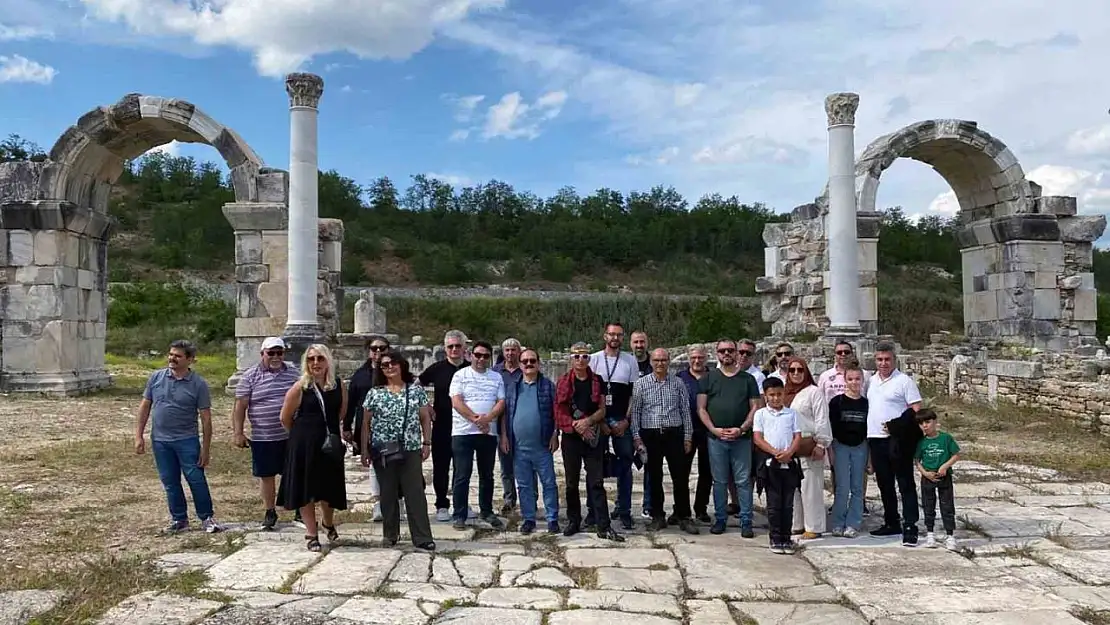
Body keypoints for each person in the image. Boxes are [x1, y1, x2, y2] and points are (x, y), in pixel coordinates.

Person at [135, 340, 221, 534]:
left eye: (178, 356)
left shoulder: (198, 384)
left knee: (196, 479)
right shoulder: (156, 377)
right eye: (171, 354)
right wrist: (138, 435)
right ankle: (179, 519)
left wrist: (205, 449)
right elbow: (145, 407)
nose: (172, 358)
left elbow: (206, 419)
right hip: (160, 440)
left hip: (186, 440)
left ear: (189, 360)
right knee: (170, 481)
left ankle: (207, 518)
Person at [360, 349, 436, 551]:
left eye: (393, 363)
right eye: (384, 365)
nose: (389, 367)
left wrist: (426, 442)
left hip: (410, 447)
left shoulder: (415, 391)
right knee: (387, 493)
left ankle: (421, 536)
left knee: (415, 493)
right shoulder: (375, 393)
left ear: (401, 365)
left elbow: (425, 418)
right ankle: (390, 534)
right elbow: (366, 423)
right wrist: (365, 450)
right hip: (382, 450)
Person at [279, 344, 349, 552]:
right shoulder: (300, 387)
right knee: (306, 489)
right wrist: (302, 434)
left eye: (320, 358)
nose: (315, 363)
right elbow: (285, 417)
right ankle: (311, 532)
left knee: (329, 488)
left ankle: (328, 521)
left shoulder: (338, 385)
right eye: (311, 359)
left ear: (328, 361)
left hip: (328, 443)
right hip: (304, 444)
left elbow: (341, 412)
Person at [555, 342, 624, 541]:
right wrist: (577, 426)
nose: (580, 360)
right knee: (571, 483)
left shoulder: (597, 380)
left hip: (593, 436)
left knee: (596, 482)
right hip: (571, 436)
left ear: (589, 359)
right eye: (577, 356)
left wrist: (588, 422)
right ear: (571, 359)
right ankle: (574, 520)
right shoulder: (564, 382)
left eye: (584, 356)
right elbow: (559, 410)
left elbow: (602, 409)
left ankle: (603, 525)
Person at [232, 336, 302, 530]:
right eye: (271, 353)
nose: (276, 356)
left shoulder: (293, 372)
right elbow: (240, 406)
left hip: (290, 434)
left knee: (294, 473)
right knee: (267, 475)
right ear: (262, 354)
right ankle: (270, 511)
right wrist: (238, 432)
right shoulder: (250, 376)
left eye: (279, 352)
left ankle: (298, 509)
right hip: (263, 435)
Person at [698, 338, 762, 536]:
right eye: (723, 350)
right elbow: (701, 408)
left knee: (743, 481)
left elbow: (755, 407)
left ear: (736, 353)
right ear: (717, 354)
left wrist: (742, 429)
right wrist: (714, 429)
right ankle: (720, 519)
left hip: (741, 439)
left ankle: (746, 521)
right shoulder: (708, 379)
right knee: (720, 481)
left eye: (730, 350)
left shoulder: (748, 380)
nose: (727, 354)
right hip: (716, 438)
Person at [631, 348, 698, 534]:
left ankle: (684, 515)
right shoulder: (641, 384)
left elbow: (685, 411)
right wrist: (636, 437)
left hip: (673, 434)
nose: (660, 363)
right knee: (654, 477)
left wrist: (687, 437)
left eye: (663, 360)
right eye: (656, 360)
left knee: (680, 476)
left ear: (669, 362)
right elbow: (635, 412)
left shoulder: (678, 383)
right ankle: (657, 516)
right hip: (650, 435)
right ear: (651, 362)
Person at [867, 341, 924, 547]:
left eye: (887, 359)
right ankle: (891, 521)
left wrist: (897, 425)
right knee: (885, 484)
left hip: (897, 440)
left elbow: (916, 409)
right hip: (875, 439)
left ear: (894, 359)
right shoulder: (871, 381)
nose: (883, 363)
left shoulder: (904, 381)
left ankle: (910, 526)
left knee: (905, 483)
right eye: (880, 359)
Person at [449, 340, 506, 530]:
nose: (481, 359)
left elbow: (501, 402)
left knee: (487, 475)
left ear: (490, 358)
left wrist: (487, 419)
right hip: (463, 432)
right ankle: (459, 514)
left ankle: (487, 511)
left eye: (485, 356)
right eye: (478, 355)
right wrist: (476, 419)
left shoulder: (496, 377)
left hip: (487, 433)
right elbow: (456, 401)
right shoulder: (460, 375)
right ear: (470, 355)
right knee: (462, 474)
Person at [501, 348, 560, 534]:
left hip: (542, 446)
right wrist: (503, 435)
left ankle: (552, 519)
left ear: (538, 363)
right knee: (524, 485)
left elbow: (556, 412)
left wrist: (555, 434)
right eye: (525, 361)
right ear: (520, 364)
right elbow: (504, 414)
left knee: (549, 483)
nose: (528, 364)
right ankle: (528, 518)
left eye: (532, 361)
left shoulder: (548, 386)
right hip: (519, 447)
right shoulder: (512, 387)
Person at [588, 322, 640, 530]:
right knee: (594, 465)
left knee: (626, 464)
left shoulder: (630, 361)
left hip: (621, 419)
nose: (615, 338)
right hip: (599, 419)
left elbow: (634, 395)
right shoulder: (593, 360)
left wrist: (626, 420)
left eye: (618, 335)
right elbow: (590, 396)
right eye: (611, 334)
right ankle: (594, 511)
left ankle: (624, 510)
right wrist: (600, 421)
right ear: (604, 336)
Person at [418, 330, 471, 522]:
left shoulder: (471, 368)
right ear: (445, 348)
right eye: (451, 346)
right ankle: (441, 504)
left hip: (466, 426)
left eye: (458, 346)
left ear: (464, 347)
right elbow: (416, 386)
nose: (455, 349)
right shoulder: (436, 368)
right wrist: (425, 405)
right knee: (441, 466)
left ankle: (461, 503)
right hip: (442, 424)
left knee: (463, 467)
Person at [344, 335, 391, 521]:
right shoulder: (360, 375)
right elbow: (351, 401)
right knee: (373, 463)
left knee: (396, 463)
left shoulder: (394, 369)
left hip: (391, 424)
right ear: (368, 351)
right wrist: (346, 426)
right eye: (374, 348)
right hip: (367, 425)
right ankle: (379, 505)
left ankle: (398, 504)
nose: (378, 352)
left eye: (382, 348)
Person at [753, 376, 802, 555]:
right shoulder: (761, 414)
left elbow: (797, 436)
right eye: (772, 395)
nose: (775, 398)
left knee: (788, 503)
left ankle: (786, 537)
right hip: (770, 464)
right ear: (766, 396)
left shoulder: (791, 414)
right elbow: (758, 438)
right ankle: (775, 538)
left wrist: (789, 453)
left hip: (789, 463)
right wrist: (775, 452)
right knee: (774, 503)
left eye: (779, 394)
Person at [784, 356, 831, 540]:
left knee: (811, 487)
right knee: (793, 488)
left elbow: (821, 418)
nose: (796, 373)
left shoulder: (814, 392)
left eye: (800, 370)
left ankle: (814, 525)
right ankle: (797, 524)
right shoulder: (785, 391)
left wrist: (821, 443)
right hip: (789, 446)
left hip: (808, 443)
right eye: (792, 370)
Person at [828, 365, 869, 538]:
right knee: (842, 486)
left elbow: (869, 429)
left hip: (860, 446)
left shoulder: (867, 403)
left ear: (862, 380)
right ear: (845, 380)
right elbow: (829, 428)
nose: (854, 382)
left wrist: (870, 458)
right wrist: (830, 451)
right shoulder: (836, 402)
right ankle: (838, 522)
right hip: (840, 446)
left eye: (857, 379)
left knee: (858, 487)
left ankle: (853, 523)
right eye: (850, 379)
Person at [914, 409, 960, 550]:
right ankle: (930, 534)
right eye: (921, 424)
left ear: (935, 421)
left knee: (947, 506)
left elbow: (956, 454)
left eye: (927, 422)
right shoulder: (921, 442)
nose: (925, 426)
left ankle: (950, 535)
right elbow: (917, 460)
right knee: (928, 506)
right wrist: (924, 473)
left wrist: (945, 466)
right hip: (928, 477)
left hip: (943, 476)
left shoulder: (946, 438)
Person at [676, 345, 712, 524]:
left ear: (706, 358)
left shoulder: (713, 377)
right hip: (685, 431)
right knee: (682, 472)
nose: (697, 361)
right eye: (694, 357)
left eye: (700, 357)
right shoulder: (680, 378)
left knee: (707, 472)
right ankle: (680, 509)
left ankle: (701, 508)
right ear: (689, 358)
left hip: (707, 430)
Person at [493, 338, 524, 515]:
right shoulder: (496, 372)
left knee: (526, 465)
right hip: (501, 425)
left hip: (521, 422)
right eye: (507, 350)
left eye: (513, 350)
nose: (510, 353)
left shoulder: (526, 369)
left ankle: (530, 498)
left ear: (518, 351)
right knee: (506, 466)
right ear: (503, 353)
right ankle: (509, 499)